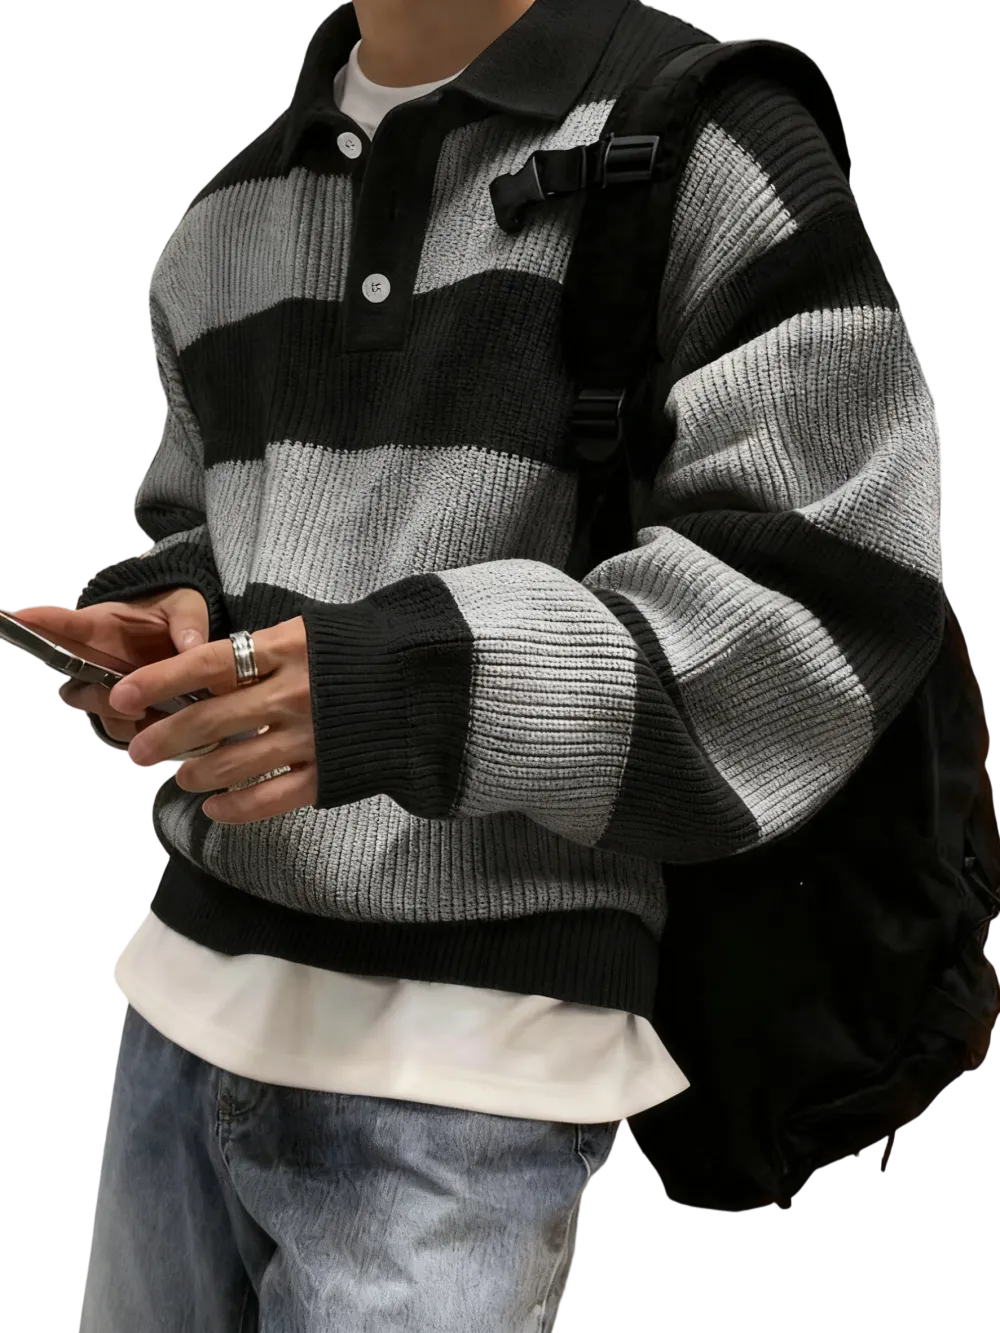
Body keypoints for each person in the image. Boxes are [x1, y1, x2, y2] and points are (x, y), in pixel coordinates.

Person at [40, 0, 943, 1328]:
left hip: (471, 1070)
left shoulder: (713, 145)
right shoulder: (223, 221)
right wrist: (167, 614)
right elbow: (199, 516)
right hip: (180, 1002)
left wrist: (410, 690)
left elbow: (828, 595)